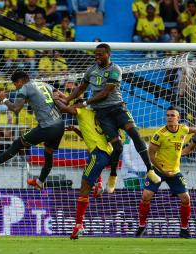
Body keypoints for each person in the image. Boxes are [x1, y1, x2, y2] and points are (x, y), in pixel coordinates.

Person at [64, 43, 161, 193]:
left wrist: (85, 103)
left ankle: (150, 170)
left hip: (117, 108)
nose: (97, 57)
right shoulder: (91, 70)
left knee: (134, 134)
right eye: (95, 54)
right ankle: (113, 174)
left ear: (108, 54)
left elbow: (106, 92)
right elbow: (81, 88)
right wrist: (67, 99)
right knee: (117, 147)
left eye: (100, 54)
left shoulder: (115, 69)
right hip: (102, 114)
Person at [0, 71, 65, 190]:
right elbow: (63, 97)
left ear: (20, 81)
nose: (16, 88)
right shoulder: (43, 84)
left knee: (18, 143)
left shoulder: (25, 88)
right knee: (48, 153)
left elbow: (16, 109)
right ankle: (40, 181)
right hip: (60, 125)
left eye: (15, 85)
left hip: (46, 127)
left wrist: (4, 99)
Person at [134, 107, 196, 239]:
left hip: (175, 172)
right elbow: (151, 155)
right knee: (146, 195)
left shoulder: (183, 129)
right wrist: (162, 170)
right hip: (159, 170)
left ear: (178, 118)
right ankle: (142, 226)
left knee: (186, 199)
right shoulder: (160, 134)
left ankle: (184, 229)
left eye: (172, 115)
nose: (169, 117)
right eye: (168, 115)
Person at [54, 98, 112, 239]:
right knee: (89, 157)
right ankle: (98, 184)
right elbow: (88, 137)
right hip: (107, 153)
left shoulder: (82, 111)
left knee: (83, 190)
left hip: (99, 154)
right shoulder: (94, 115)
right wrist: (75, 130)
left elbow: (65, 109)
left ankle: (79, 224)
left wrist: (54, 98)